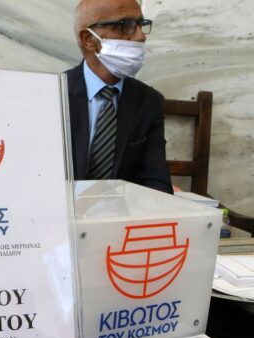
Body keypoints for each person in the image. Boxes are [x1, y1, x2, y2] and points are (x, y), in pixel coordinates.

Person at [66, 0, 173, 194]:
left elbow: (156, 183)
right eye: (126, 25)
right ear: (88, 39)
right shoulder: (52, 93)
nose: (141, 36)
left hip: (124, 210)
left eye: (141, 24)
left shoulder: (149, 102)